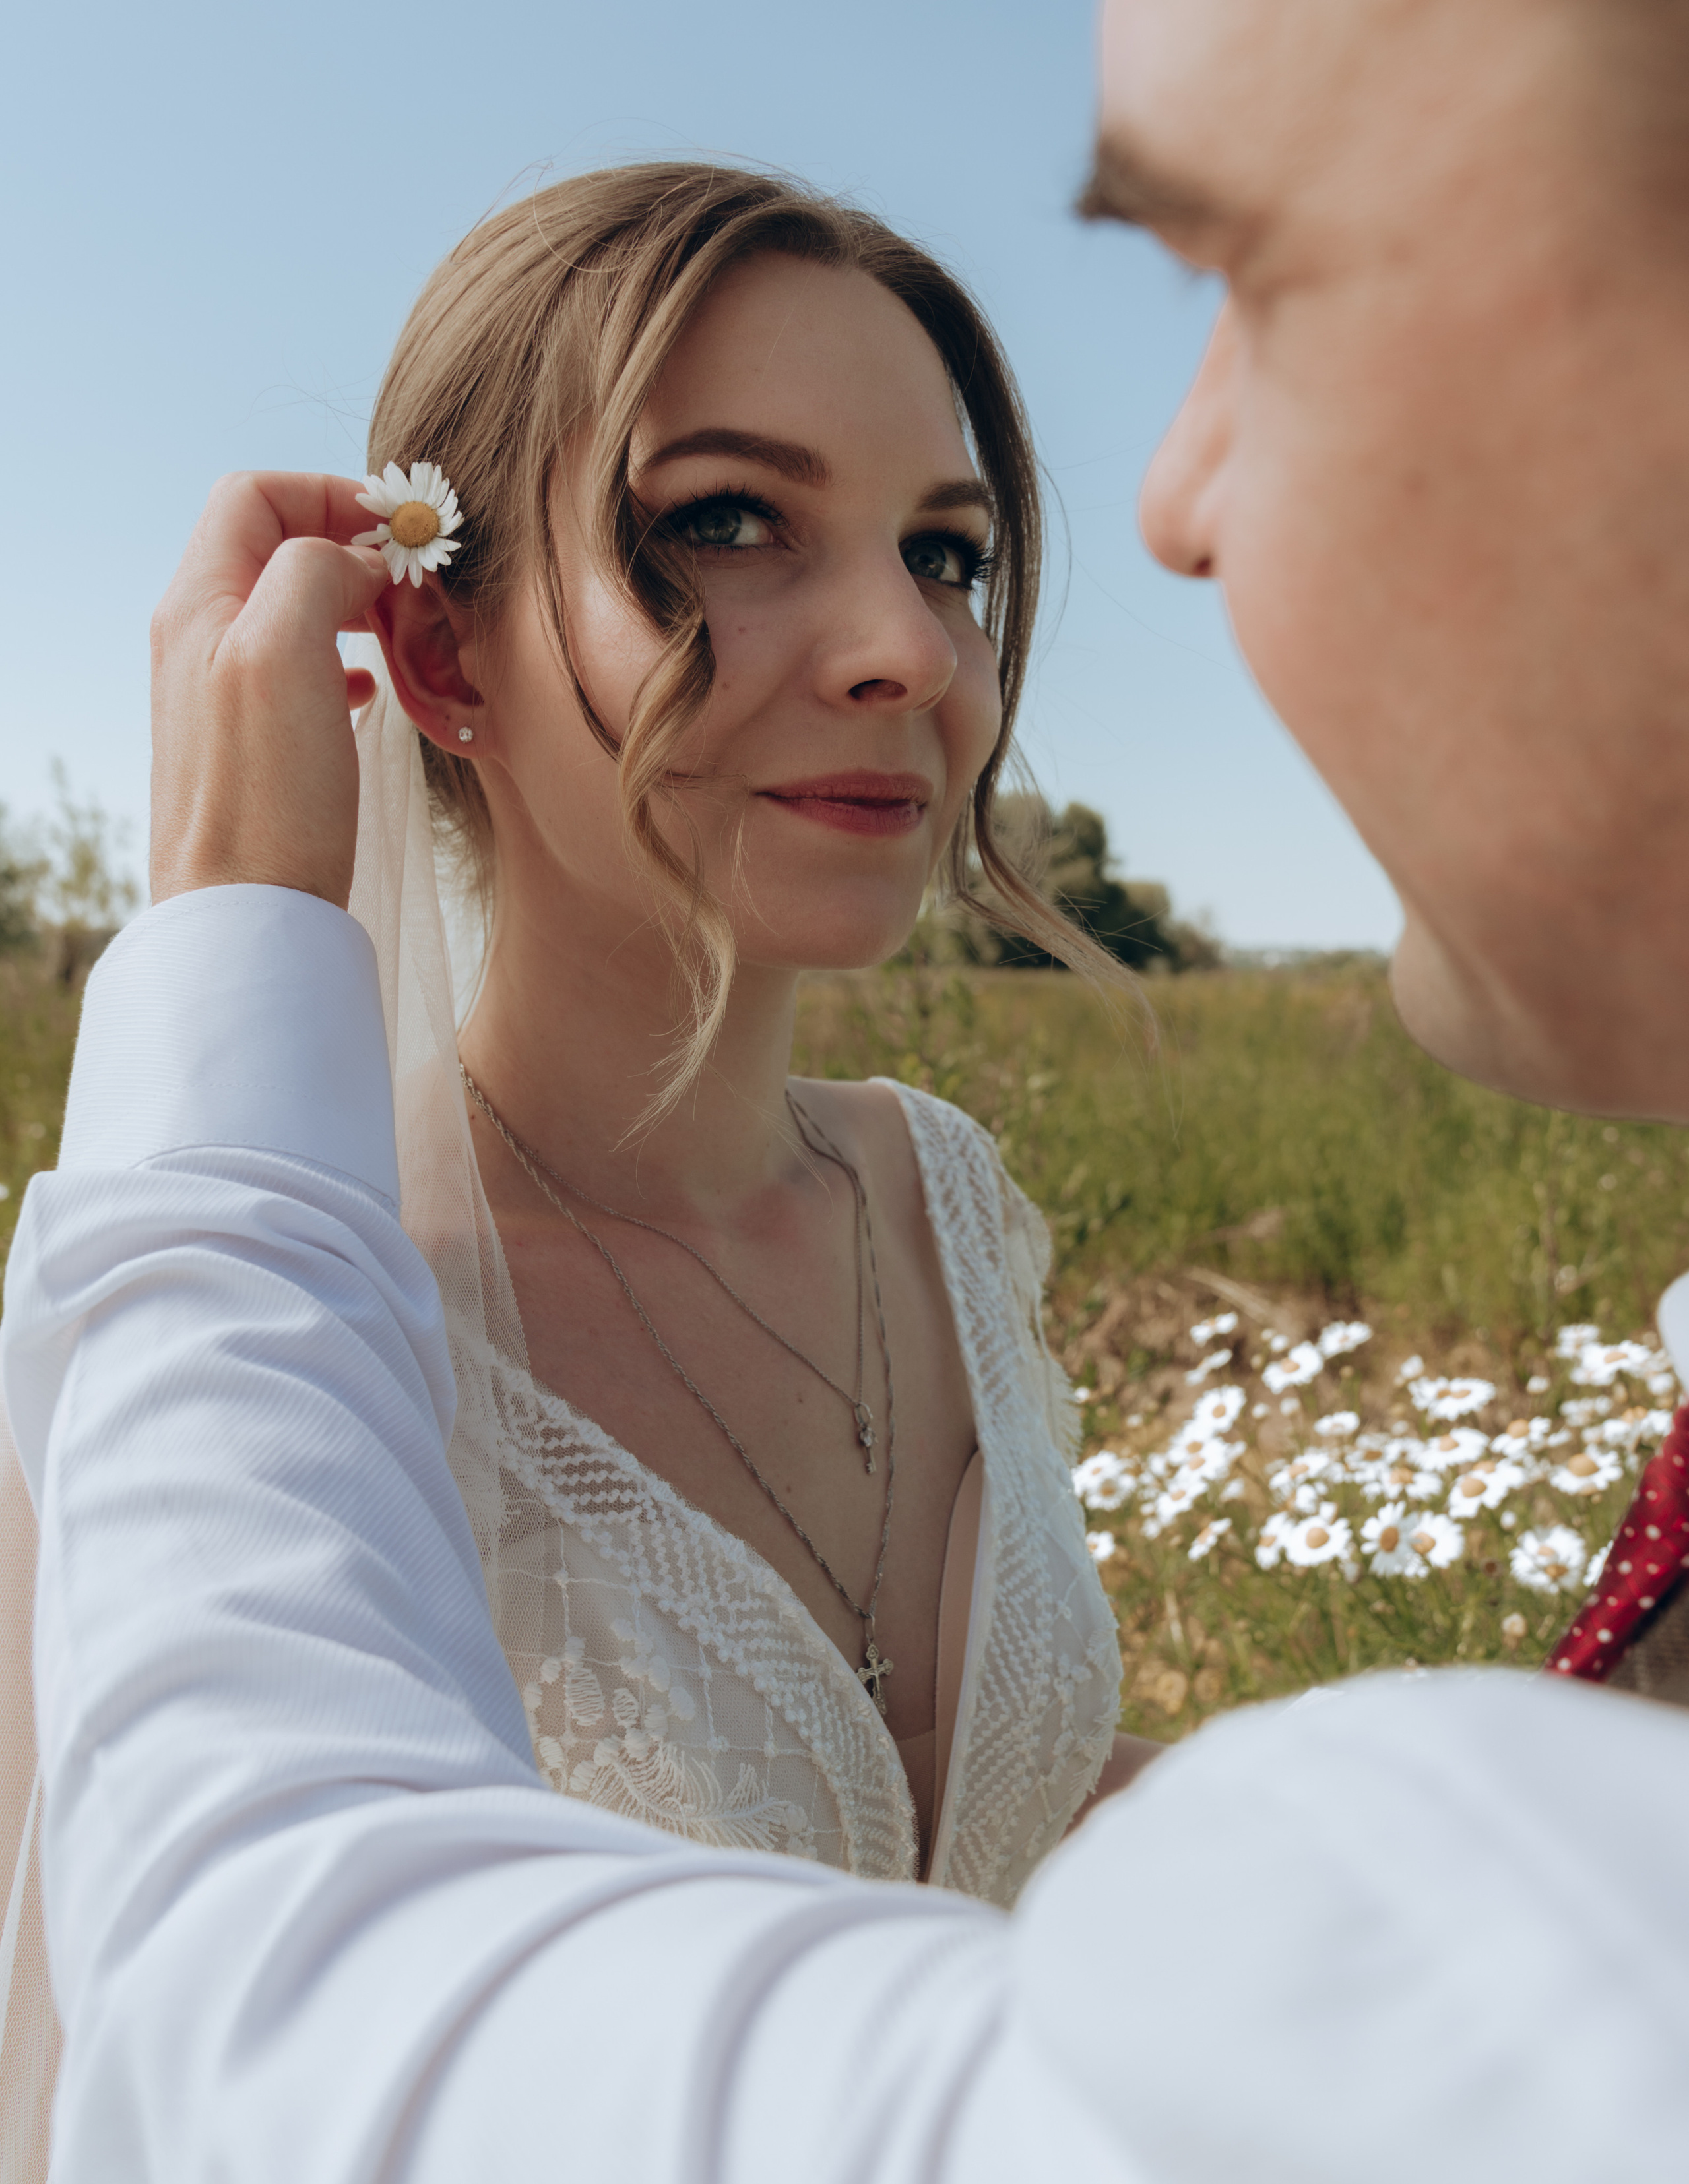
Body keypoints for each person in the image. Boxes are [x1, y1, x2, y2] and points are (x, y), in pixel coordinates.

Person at [6, 1, 1689, 2177]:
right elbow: (103, 2063)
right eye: (724, 525)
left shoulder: (942, 1198)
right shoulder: (281, 1350)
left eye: (951, 549)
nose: (913, 646)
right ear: (432, 652)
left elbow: (945, 1842)